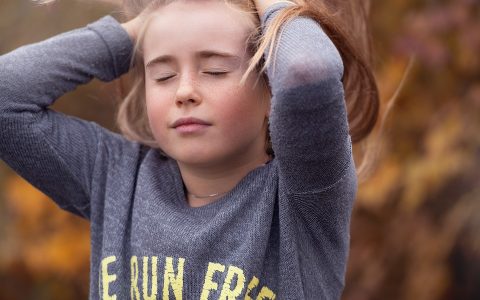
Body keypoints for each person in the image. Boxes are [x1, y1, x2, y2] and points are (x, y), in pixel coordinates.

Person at [0, 0, 381, 298]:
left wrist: (271, 7)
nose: (184, 91)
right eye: (163, 75)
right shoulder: (115, 179)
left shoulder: (305, 198)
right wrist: (143, 28)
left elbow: (308, 72)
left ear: (270, 87)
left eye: (214, 71)